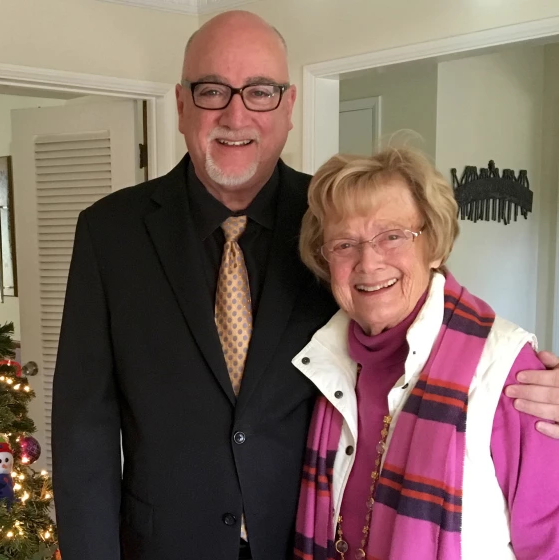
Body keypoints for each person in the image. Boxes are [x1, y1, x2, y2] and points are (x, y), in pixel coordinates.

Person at [51, 10, 559, 560]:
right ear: (180, 104)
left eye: (261, 91)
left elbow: (423, 323)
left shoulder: (335, 222)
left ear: (289, 107)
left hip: (304, 540)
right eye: (212, 90)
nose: (236, 114)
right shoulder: (110, 232)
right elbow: (85, 429)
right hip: (165, 543)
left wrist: (522, 382)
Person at [293, 148, 559, 560]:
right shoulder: (326, 360)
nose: (368, 261)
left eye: (392, 236)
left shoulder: (510, 370)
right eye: (345, 244)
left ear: (433, 244)